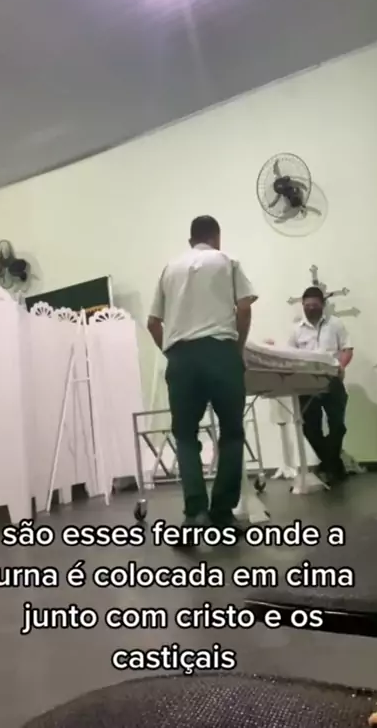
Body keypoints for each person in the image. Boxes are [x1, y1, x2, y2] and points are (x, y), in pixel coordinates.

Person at [147, 216, 257, 531]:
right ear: (216, 237)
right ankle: (222, 513)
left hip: (181, 358)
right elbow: (244, 308)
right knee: (232, 433)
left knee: (185, 436)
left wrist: (173, 354)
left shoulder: (169, 269)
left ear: (190, 240)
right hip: (221, 353)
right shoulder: (227, 261)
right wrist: (236, 350)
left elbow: (153, 323)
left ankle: (195, 514)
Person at [288, 286, 353, 486]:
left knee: (338, 426)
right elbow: (289, 355)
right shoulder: (296, 330)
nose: (310, 309)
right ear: (302, 305)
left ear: (322, 305)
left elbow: (347, 348)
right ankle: (333, 465)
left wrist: (341, 366)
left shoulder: (336, 324)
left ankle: (329, 466)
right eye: (307, 306)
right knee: (309, 428)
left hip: (331, 379)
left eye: (314, 305)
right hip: (306, 384)